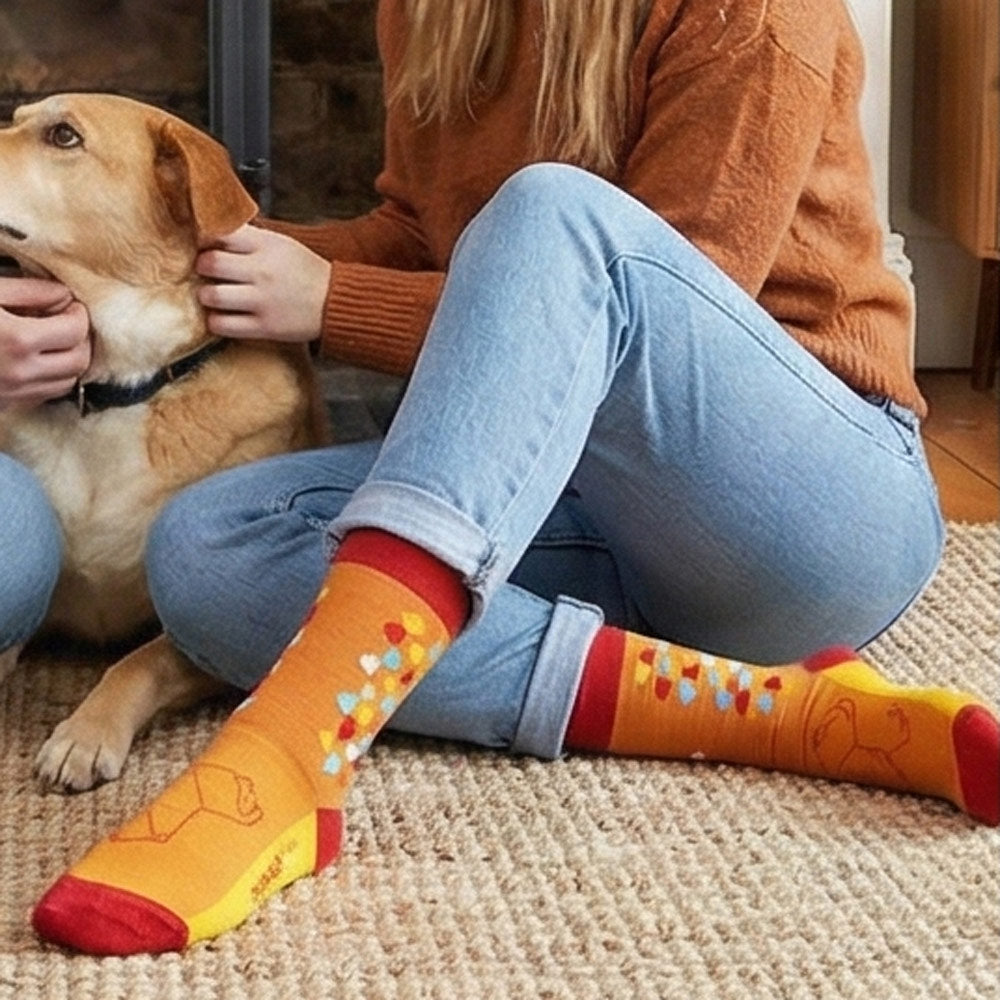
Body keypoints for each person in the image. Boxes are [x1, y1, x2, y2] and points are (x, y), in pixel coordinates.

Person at [22, 0, 998, 956]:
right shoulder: (433, 11)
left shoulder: (755, 12)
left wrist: (336, 301)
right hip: (584, 504)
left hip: (802, 510)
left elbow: (645, 306)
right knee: (204, 549)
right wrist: (174, 263)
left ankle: (286, 758)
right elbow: (414, 235)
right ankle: (787, 715)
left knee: (551, 212)